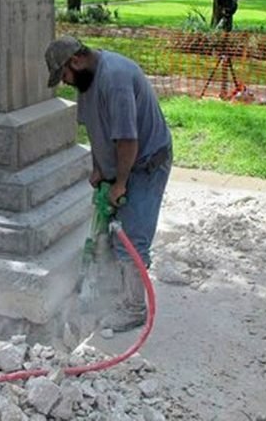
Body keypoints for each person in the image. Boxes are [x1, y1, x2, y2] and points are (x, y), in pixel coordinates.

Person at [45, 36, 173, 332]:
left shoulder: (114, 80)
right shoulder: (87, 82)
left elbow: (128, 141)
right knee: (114, 232)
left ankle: (134, 308)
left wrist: (120, 184)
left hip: (145, 164)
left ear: (75, 61)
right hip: (120, 164)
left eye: (63, 75)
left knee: (131, 237)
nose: (65, 82)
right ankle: (117, 288)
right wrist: (99, 168)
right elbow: (94, 128)